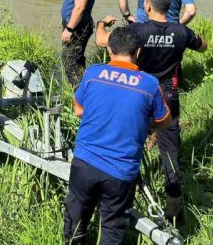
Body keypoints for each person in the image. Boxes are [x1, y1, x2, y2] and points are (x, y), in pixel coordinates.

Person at [96, 0, 208, 224]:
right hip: (167, 98)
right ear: (169, 6)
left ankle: (123, 196)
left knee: (127, 143)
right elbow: (203, 45)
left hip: (137, 96)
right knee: (170, 153)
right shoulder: (181, 32)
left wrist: (101, 24)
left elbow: (103, 42)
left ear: (147, 5)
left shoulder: (138, 30)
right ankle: (173, 207)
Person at [64, 28, 172, 244]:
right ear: (138, 52)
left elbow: (78, 110)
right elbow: (165, 121)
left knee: (75, 220)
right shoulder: (150, 84)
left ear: (110, 50)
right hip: (121, 172)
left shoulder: (93, 73)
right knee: (113, 228)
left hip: (85, 163)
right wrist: (143, 124)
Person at [61, 0, 98, 85]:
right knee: (78, 59)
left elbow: (80, 7)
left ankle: (78, 97)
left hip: (76, 28)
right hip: (83, 24)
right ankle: (84, 87)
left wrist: (69, 29)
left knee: (70, 62)